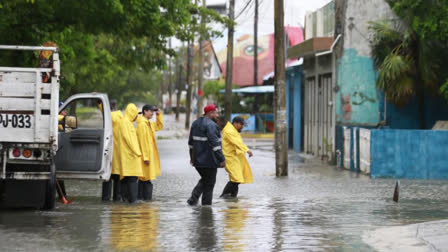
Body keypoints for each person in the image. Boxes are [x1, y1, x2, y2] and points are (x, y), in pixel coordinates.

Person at [187, 104, 225, 206]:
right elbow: (215, 144)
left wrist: (192, 158)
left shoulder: (195, 123)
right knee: (209, 184)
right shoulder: (212, 125)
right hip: (210, 161)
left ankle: (193, 200)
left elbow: (190, 143)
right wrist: (222, 159)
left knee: (205, 180)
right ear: (210, 113)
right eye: (215, 113)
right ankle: (206, 208)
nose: (217, 115)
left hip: (198, 161)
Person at [220, 116, 253, 199]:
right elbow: (237, 142)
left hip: (235, 158)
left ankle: (233, 198)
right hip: (230, 158)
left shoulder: (233, 130)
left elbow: (238, 143)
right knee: (236, 178)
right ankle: (224, 195)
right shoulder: (229, 131)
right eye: (241, 124)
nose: (242, 126)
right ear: (235, 123)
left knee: (236, 179)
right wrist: (247, 150)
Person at [136, 105, 163, 201]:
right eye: (151, 111)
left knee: (145, 178)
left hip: (149, 156)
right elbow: (142, 142)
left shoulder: (149, 123)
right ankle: (144, 200)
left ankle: (143, 201)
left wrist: (159, 115)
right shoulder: (142, 125)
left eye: (153, 111)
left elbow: (159, 126)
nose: (152, 113)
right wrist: (146, 157)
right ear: (145, 111)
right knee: (145, 179)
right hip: (145, 157)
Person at [118, 103, 142, 204]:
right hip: (130, 155)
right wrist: (137, 152)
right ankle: (133, 200)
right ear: (131, 113)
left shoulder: (127, 122)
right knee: (132, 177)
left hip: (130, 155)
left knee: (127, 178)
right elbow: (129, 139)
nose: (136, 117)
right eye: (136, 114)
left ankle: (125, 201)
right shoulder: (125, 123)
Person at [102, 100, 123, 201]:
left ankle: (106, 198)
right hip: (119, 151)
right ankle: (117, 198)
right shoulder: (121, 117)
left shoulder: (110, 116)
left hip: (109, 150)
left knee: (107, 176)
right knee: (118, 177)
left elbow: (104, 113)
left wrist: (100, 104)